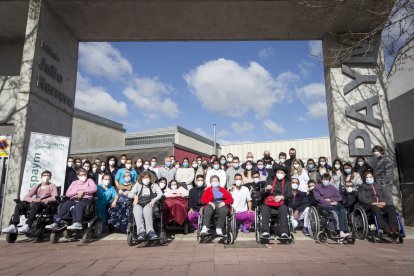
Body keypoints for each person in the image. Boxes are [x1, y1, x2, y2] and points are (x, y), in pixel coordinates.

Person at [313, 173, 350, 238]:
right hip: (323, 205)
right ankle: (339, 231)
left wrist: (331, 199)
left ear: (329, 181)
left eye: (327, 180)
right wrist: (329, 203)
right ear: (321, 180)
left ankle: (345, 230)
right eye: (324, 179)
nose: (325, 181)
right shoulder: (317, 187)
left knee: (343, 210)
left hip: (334, 203)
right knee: (335, 212)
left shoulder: (332, 187)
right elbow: (318, 198)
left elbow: (339, 197)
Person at [128, 171, 163, 241]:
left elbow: (160, 194)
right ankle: (141, 232)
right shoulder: (138, 185)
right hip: (139, 202)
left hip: (149, 202)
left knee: (147, 210)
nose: (145, 179)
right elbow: (130, 194)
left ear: (150, 178)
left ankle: (150, 232)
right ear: (141, 178)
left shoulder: (154, 185)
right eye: (143, 178)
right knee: (136, 210)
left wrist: (154, 200)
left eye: (147, 177)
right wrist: (135, 196)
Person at [259, 165, 292, 239]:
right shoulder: (270, 180)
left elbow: (290, 195)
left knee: (284, 209)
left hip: (281, 203)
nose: (279, 174)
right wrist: (266, 189)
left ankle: (284, 233)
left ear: (285, 174)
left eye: (281, 172)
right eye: (278, 172)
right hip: (269, 203)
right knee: (264, 208)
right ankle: (265, 232)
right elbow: (260, 193)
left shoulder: (287, 182)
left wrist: (282, 197)